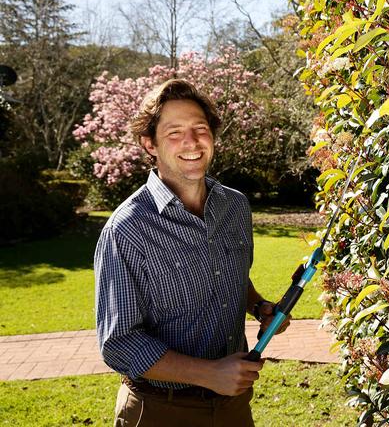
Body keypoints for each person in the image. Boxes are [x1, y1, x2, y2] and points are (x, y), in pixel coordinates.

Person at [94, 79, 289, 426]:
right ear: (149, 144)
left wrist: (259, 307)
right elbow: (119, 343)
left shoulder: (235, 206)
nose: (191, 142)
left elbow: (230, 276)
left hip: (233, 408)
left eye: (200, 129)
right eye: (174, 132)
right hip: (160, 410)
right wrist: (209, 373)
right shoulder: (125, 230)